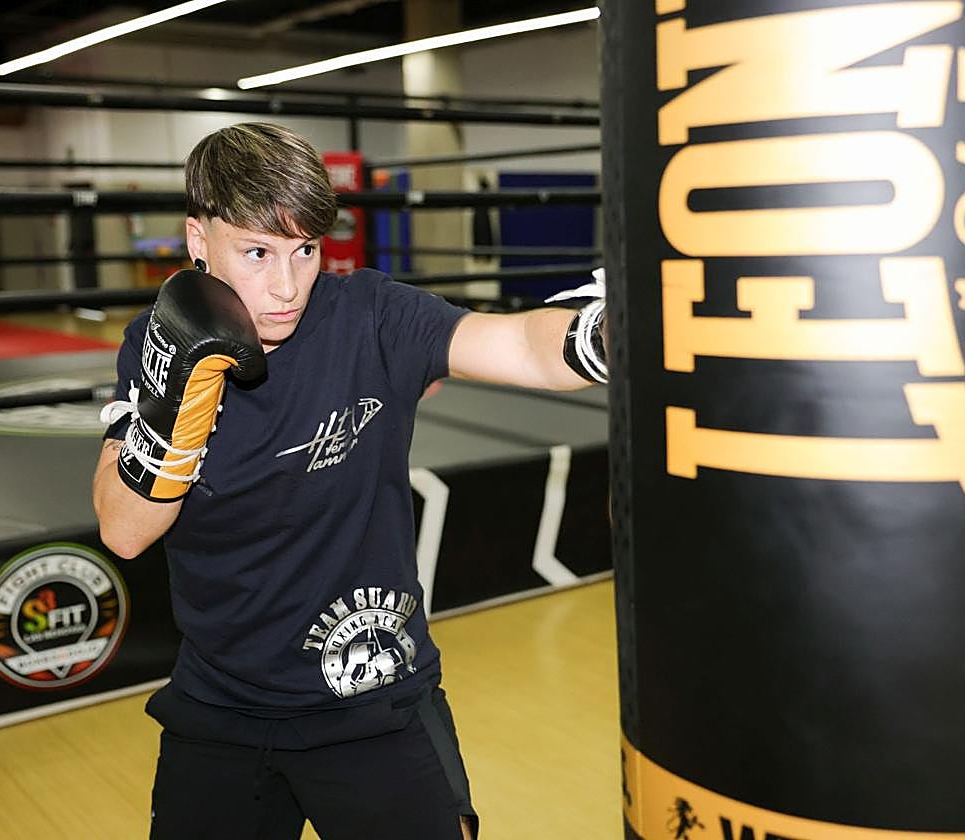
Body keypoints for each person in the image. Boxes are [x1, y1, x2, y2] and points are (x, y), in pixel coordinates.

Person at [92, 121, 607, 840]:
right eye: (257, 252)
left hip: (373, 695)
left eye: (305, 250)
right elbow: (123, 529)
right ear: (197, 240)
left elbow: (520, 344)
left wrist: (610, 332)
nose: (286, 285)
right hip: (223, 704)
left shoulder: (370, 316)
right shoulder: (158, 340)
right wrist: (174, 414)